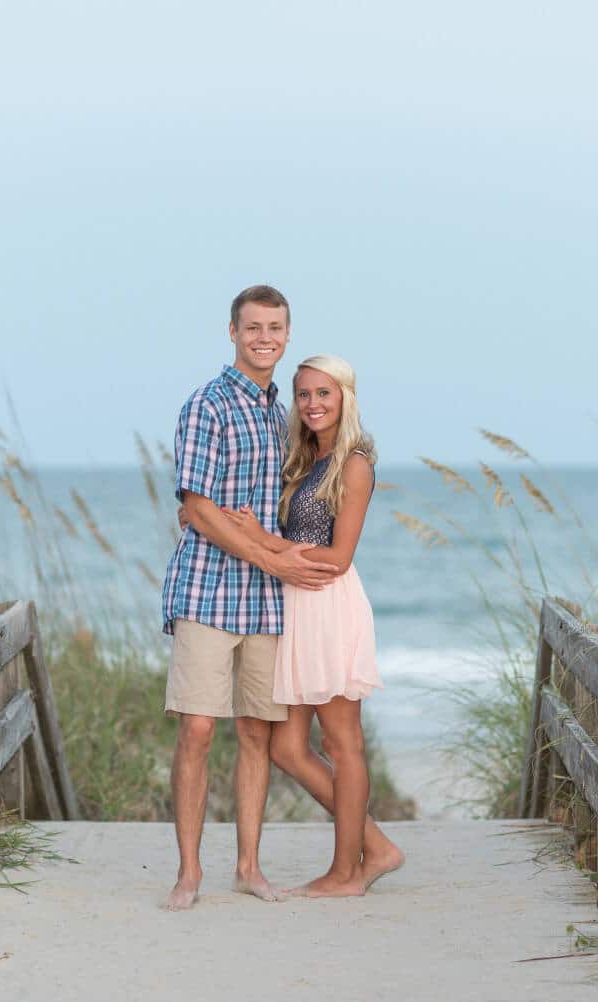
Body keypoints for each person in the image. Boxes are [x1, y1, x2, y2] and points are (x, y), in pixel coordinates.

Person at [159, 285, 341, 912]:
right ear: (232, 332)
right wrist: (268, 554)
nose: (265, 337)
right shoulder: (206, 405)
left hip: (267, 603)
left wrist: (281, 550)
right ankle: (188, 874)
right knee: (198, 730)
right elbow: (197, 508)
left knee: (259, 735)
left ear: (287, 335)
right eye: (253, 327)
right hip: (208, 591)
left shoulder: (284, 414)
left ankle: (248, 867)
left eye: (275, 328)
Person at [220, 354, 404, 897]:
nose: (313, 403)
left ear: (345, 396)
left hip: (328, 603)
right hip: (295, 608)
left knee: (343, 742)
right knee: (287, 749)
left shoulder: (355, 463)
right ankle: (379, 847)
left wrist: (265, 541)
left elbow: (338, 557)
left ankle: (347, 873)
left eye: (324, 393)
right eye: (303, 395)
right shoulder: (304, 459)